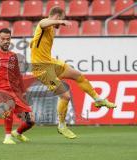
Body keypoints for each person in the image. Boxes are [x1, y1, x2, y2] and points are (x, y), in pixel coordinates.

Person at [30, 6, 116, 139]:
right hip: (41, 67)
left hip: (50, 62)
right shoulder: (45, 24)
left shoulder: (51, 29)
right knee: (65, 96)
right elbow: (43, 23)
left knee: (78, 75)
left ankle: (98, 100)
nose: (62, 22)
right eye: (62, 18)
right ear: (58, 17)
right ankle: (62, 125)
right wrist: (60, 22)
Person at [0, 28, 35, 144]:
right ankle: (7, 137)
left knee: (31, 119)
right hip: (0, 92)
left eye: (8, 39)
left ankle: (18, 133)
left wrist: (23, 92)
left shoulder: (13, 56)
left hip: (14, 92)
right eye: (3, 39)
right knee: (8, 104)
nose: (6, 41)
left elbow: (18, 75)